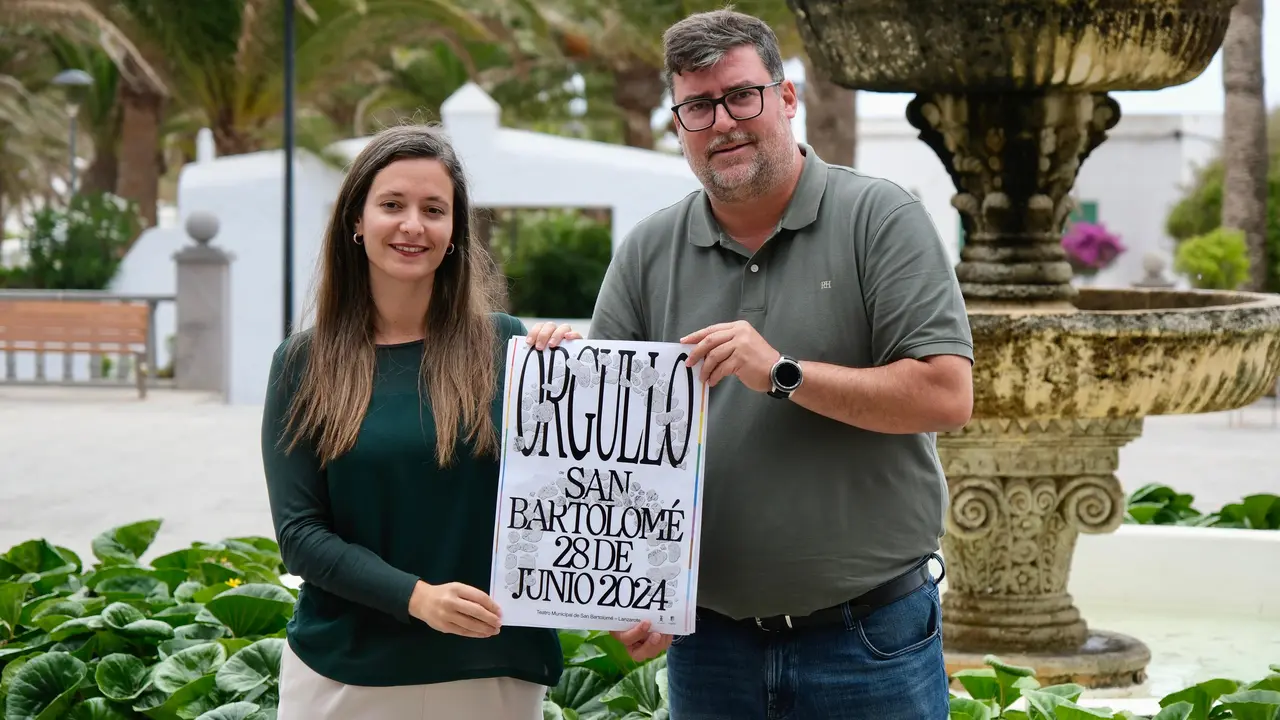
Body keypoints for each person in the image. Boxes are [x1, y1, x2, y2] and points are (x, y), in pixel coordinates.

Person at [584, 9, 975, 720]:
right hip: (709, 646)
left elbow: (946, 394)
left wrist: (783, 374)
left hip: (869, 640)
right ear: (678, 124)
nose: (723, 122)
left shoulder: (880, 219)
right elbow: (610, 434)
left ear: (786, 98)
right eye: (698, 106)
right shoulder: (647, 251)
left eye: (742, 95)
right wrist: (627, 586)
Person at [260, 123, 579, 719]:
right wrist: (418, 599)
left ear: (455, 230)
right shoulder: (302, 363)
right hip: (345, 675)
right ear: (356, 220)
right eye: (392, 205)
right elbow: (300, 535)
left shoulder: (512, 352)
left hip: (490, 671)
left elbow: (576, 500)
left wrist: (578, 373)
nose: (413, 224)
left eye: (434, 209)